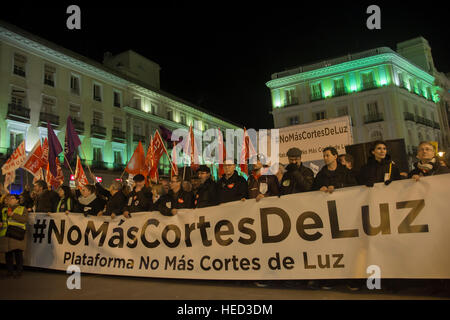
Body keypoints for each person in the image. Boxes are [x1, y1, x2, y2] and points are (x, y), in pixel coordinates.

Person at [0, 194, 28, 278]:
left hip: (17, 234)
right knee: (8, 254)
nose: (10, 200)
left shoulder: (22, 209)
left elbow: (24, 219)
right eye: (9, 198)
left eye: (12, 198)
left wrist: (13, 215)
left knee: (18, 254)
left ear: (17, 200)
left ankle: (19, 271)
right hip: (7, 234)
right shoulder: (4, 209)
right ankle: (9, 271)